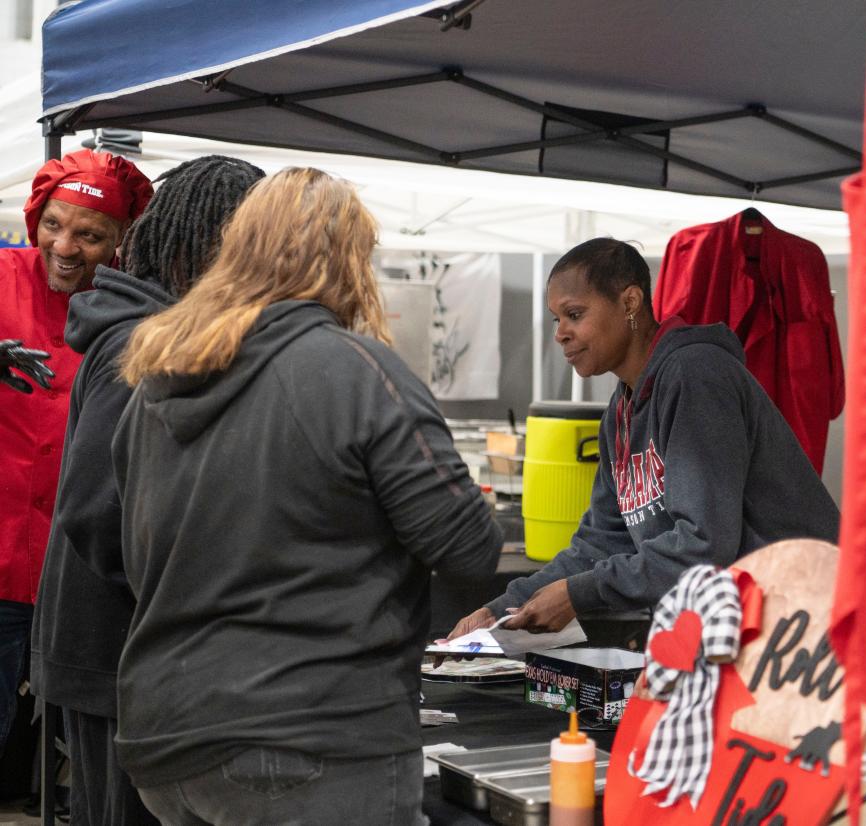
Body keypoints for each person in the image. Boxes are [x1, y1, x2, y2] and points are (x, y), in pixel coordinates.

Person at [111, 167, 501, 825]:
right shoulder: (355, 372)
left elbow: (128, 551)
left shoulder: (155, 381)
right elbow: (467, 548)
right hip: (310, 736)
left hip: (168, 738)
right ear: (348, 261)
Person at [447, 238, 841, 639]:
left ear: (630, 302)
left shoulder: (696, 375)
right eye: (556, 319)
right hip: (737, 627)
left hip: (803, 622)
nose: (561, 334)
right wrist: (496, 611)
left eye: (575, 314)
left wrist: (579, 594)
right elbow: (599, 543)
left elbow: (704, 545)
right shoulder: (618, 415)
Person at [31, 155, 265, 826]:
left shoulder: (164, 330)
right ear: (209, 244)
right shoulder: (142, 340)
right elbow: (98, 509)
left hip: (134, 658)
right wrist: (190, 590)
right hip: (115, 658)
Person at [0, 150, 152, 754]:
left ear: (119, 241)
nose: (65, 246)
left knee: (72, 749)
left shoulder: (133, 314)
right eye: (53, 225)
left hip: (78, 574)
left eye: (90, 235)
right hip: (2, 555)